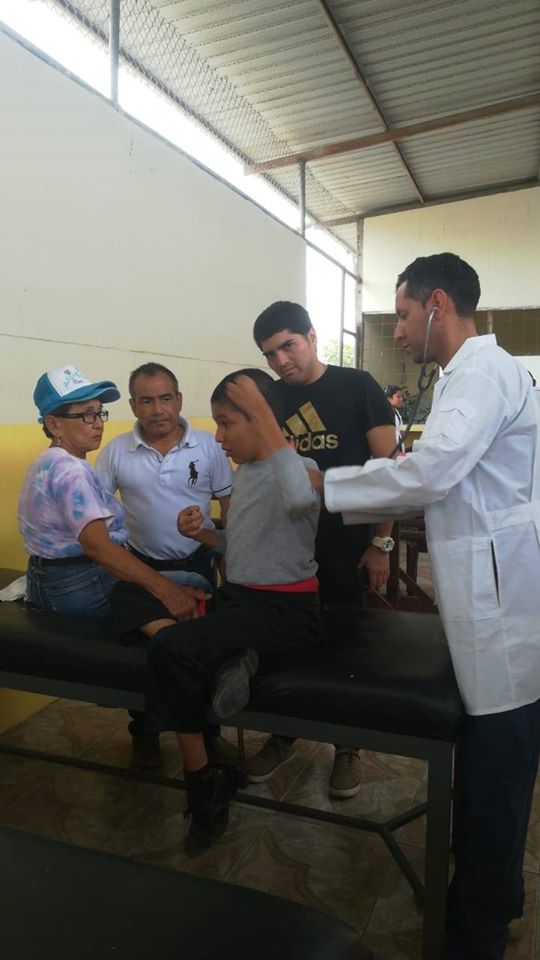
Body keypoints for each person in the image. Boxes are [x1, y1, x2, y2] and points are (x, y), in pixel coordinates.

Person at [315, 253, 540, 960]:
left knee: (495, 775)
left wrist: (324, 487)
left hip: (501, 605)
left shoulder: (479, 373)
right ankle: (497, 898)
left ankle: (474, 937)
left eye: (404, 314)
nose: (400, 330)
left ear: (437, 303)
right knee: (496, 768)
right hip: (496, 588)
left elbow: (432, 473)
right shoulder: (470, 375)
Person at [111, 369, 321, 856]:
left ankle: (204, 786)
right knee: (127, 593)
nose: (219, 438)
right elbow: (242, 543)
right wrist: (204, 535)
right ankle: (226, 655)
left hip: (285, 610)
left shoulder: (301, 468)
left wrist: (266, 414)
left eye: (227, 424)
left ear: (260, 420)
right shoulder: (245, 473)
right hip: (239, 601)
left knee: (170, 648)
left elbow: (300, 497)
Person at [249, 302, 396, 798]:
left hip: (346, 546)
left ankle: (347, 746)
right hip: (287, 550)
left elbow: (388, 470)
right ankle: (282, 732)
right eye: (270, 354)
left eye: (288, 346)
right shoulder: (271, 399)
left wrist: (380, 543)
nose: (281, 361)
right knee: (285, 647)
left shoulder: (357, 386)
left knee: (344, 650)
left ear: (312, 337)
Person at [95, 362, 234, 767]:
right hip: (141, 570)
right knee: (144, 658)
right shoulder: (116, 452)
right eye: (147, 400)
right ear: (133, 405)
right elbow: (96, 514)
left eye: (165, 398)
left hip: (199, 566)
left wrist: (232, 567)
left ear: (179, 400)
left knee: (199, 654)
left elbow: (231, 509)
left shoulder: (209, 446)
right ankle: (144, 733)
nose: (158, 409)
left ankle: (209, 736)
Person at [19, 364, 205, 623]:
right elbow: (98, 547)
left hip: (44, 580)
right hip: (79, 584)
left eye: (99, 413)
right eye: (86, 415)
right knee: (194, 584)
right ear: (54, 424)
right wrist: (167, 591)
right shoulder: (71, 470)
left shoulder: (45, 461)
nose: (98, 424)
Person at [384, 384, 405, 452]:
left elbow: (399, 430)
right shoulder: (383, 413)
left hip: (399, 448)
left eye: (401, 397)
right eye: (398, 397)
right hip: (389, 450)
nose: (401, 399)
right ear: (389, 398)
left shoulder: (397, 412)